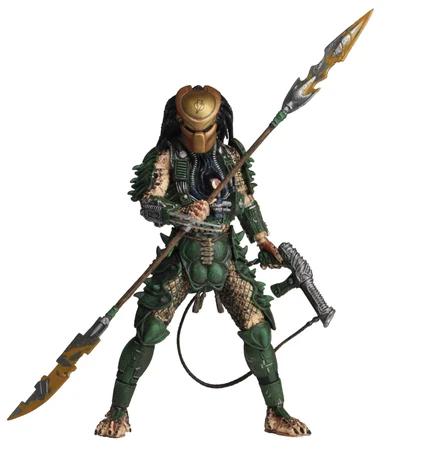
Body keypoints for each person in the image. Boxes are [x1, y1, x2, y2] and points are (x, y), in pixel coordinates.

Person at [95, 85, 311, 438]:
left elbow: (246, 201)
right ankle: (117, 412)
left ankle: (276, 412)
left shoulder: (231, 156)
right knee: (148, 330)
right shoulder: (167, 157)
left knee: (258, 330)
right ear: (179, 122)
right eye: (191, 128)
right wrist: (181, 213)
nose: (199, 135)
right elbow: (149, 203)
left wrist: (262, 240)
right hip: (184, 256)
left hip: (226, 256)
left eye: (206, 128)